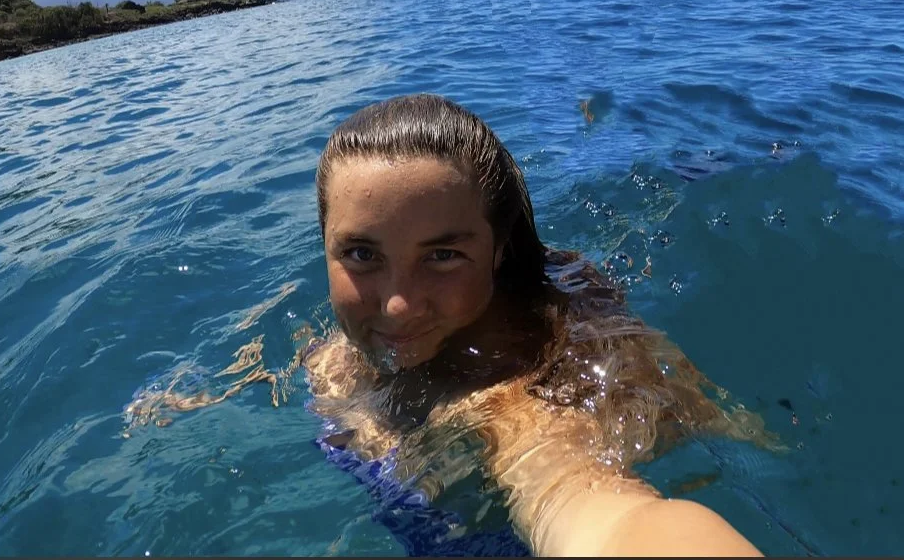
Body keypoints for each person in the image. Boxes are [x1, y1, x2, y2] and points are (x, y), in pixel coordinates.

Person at [303, 93, 776, 557]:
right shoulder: (333, 358)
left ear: (498, 251)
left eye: (442, 256)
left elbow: (603, 518)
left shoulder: (510, 405)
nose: (398, 307)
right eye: (361, 254)